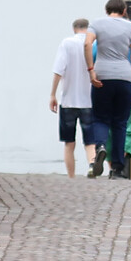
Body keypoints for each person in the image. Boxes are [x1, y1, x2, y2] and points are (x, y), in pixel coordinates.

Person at [87, 0, 131, 179]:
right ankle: (118, 169)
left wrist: (91, 70)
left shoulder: (97, 24)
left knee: (100, 118)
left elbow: (87, 44)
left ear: (107, 10)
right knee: (120, 123)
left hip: (102, 76)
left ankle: (101, 146)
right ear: (124, 10)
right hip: (125, 78)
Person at [49, 18, 97, 178]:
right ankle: (92, 166)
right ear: (88, 29)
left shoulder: (67, 43)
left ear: (74, 29)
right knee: (90, 142)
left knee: (69, 143)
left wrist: (52, 94)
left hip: (68, 100)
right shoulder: (93, 43)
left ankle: (71, 176)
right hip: (89, 100)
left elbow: (58, 70)